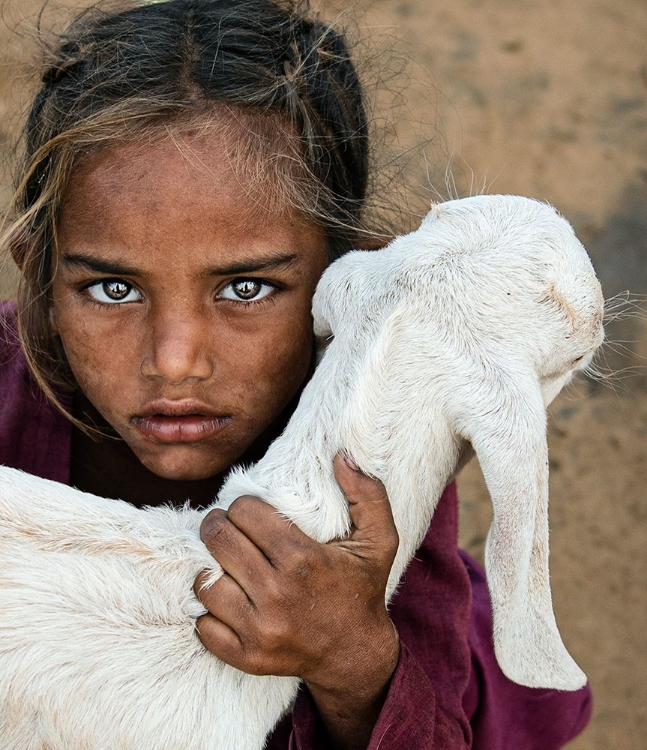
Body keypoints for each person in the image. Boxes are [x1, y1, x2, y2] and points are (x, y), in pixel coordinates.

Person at [0, 0, 592, 747]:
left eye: (245, 289)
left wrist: (351, 658)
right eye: (111, 290)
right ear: (40, 277)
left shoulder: (364, 465)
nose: (175, 360)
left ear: (350, 284)